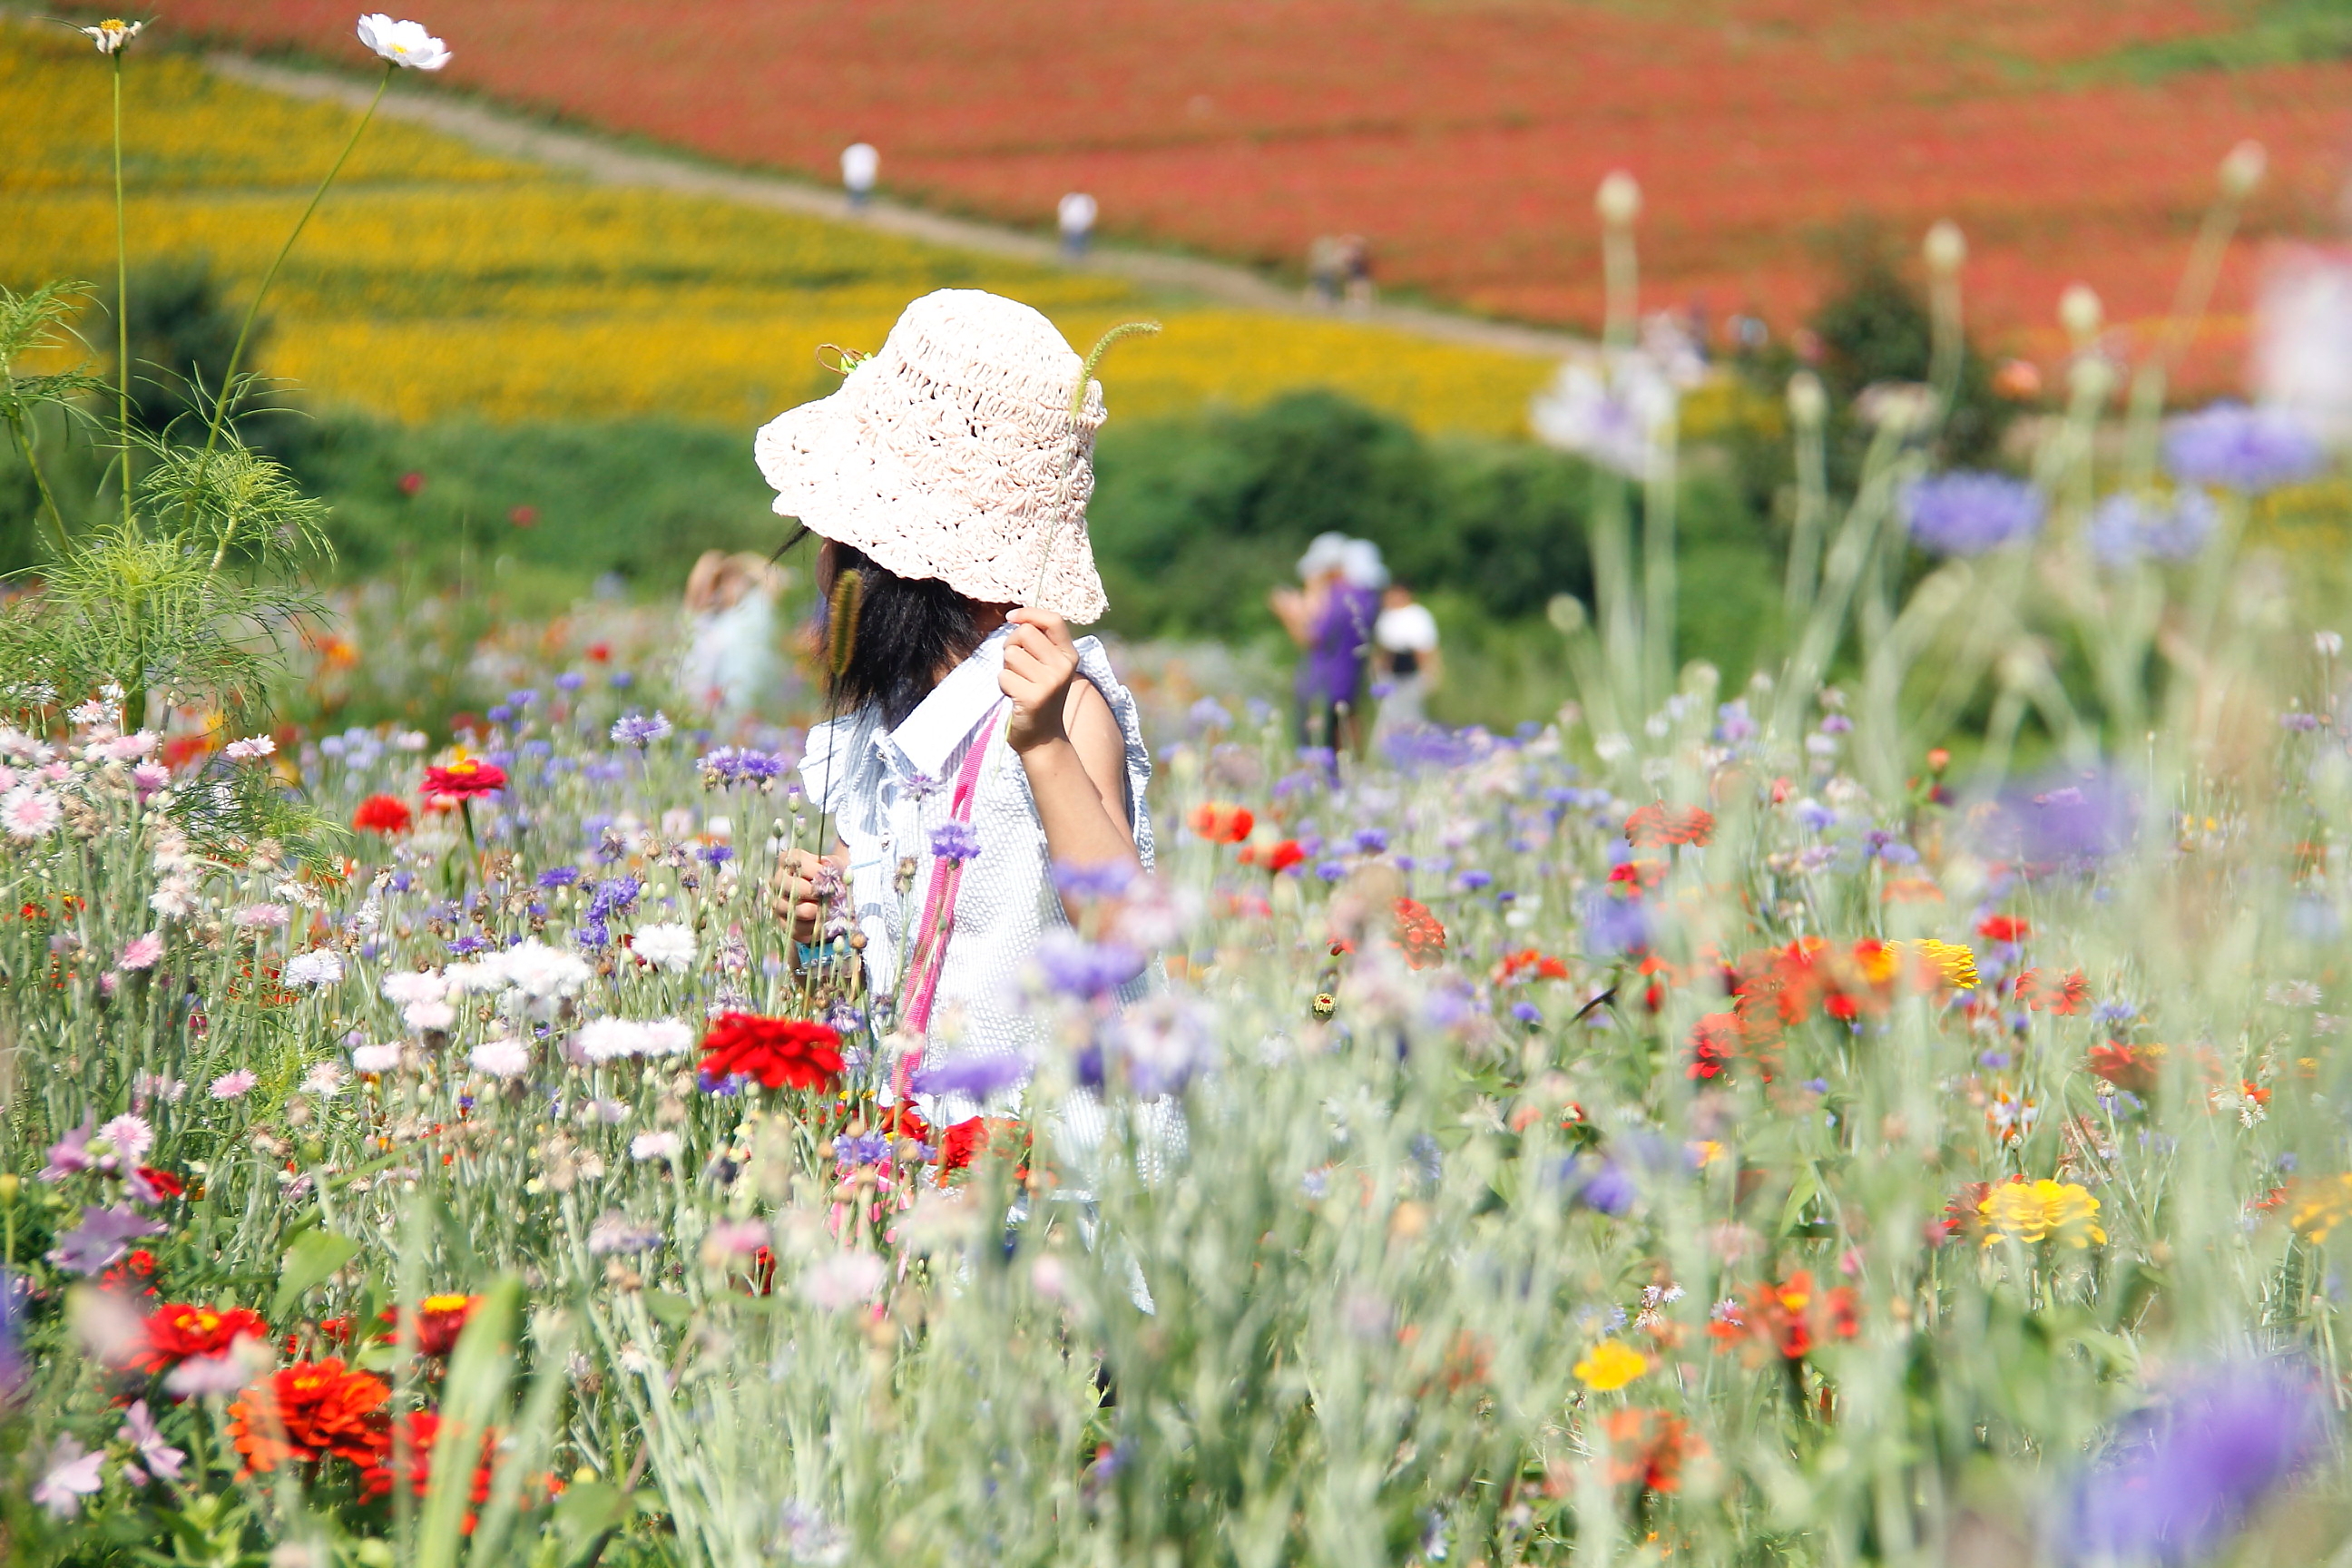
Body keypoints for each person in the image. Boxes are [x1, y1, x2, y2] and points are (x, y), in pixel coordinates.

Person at [754, 289, 1157, 1149]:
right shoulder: (886, 736)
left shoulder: (1058, 706)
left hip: (1044, 1177)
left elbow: (1122, 933)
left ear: (891, 565)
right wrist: (814, 929)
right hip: (916, 1166)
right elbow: (887, 978)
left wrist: (1044, 742)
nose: (821, 571)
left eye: (832, 542)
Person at [1270, 533, 1383, 755]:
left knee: (1313, 750)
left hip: (1321, 684)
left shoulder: (1339, 596)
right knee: (1342, 746)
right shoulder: (1367, 597)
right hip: (1348, 683)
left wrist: (1287, 613)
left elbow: (1310, 639)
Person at [677, 549, 788, 719]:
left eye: (733, 578)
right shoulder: (706, 619)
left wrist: (742, 560)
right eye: (721, 581)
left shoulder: (753, 608)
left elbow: (778, 578)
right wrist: (711, 566)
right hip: (705, 703)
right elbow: (696, 590)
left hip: (746, 702)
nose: (729, 586)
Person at [1371, 580, 1441, 738]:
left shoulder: (1417, 615)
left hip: (1411, 671)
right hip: (1390, 673)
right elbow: (1382, 649)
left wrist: (1429, 673)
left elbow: (1425, 648)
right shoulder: (1387, 616)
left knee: (1412, 714)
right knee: (1388, 715)